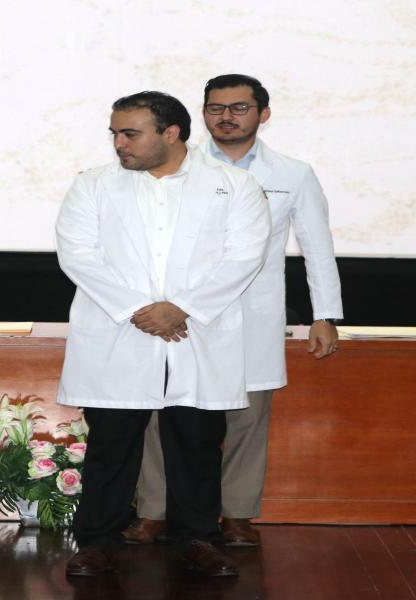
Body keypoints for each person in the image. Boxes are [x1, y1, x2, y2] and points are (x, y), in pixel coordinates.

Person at [56, 92, 270, 577]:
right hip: (120, 332)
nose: (119, 144)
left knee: (195, 445)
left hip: (195, 333)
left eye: (130, 133)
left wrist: (182, 309)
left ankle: (196, 539)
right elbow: (78, 254)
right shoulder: (92, 186)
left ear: (170, 133)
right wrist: (139, 309)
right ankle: (97, 542)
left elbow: (243, 255)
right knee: (112, 446)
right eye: (114, 133)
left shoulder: (233, 185)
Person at [124, 75, 343, 547]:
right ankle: (155, 511)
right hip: (182, 316)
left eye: (239, 108)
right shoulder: (178, 166)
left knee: (247, 418)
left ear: (263, 114)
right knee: (164, 412)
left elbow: (317, 247)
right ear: (201, 115)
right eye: (215, 108)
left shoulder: (293, 173)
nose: (226, 117)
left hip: (254, 316)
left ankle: (238, 514)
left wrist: (324, 314)